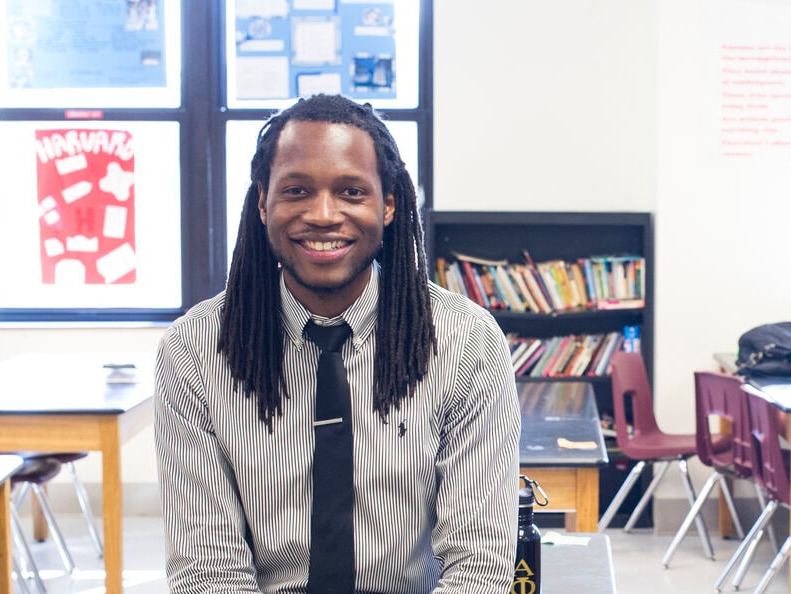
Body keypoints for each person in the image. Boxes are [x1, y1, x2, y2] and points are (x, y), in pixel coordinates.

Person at [154, 93, 521, 593]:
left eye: (351, 192)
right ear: (262, 202)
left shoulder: (466, 342)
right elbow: (207, 571)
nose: (323, 215)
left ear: (388, 204)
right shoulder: (195, 351)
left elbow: (479, 566)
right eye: (297, 190)